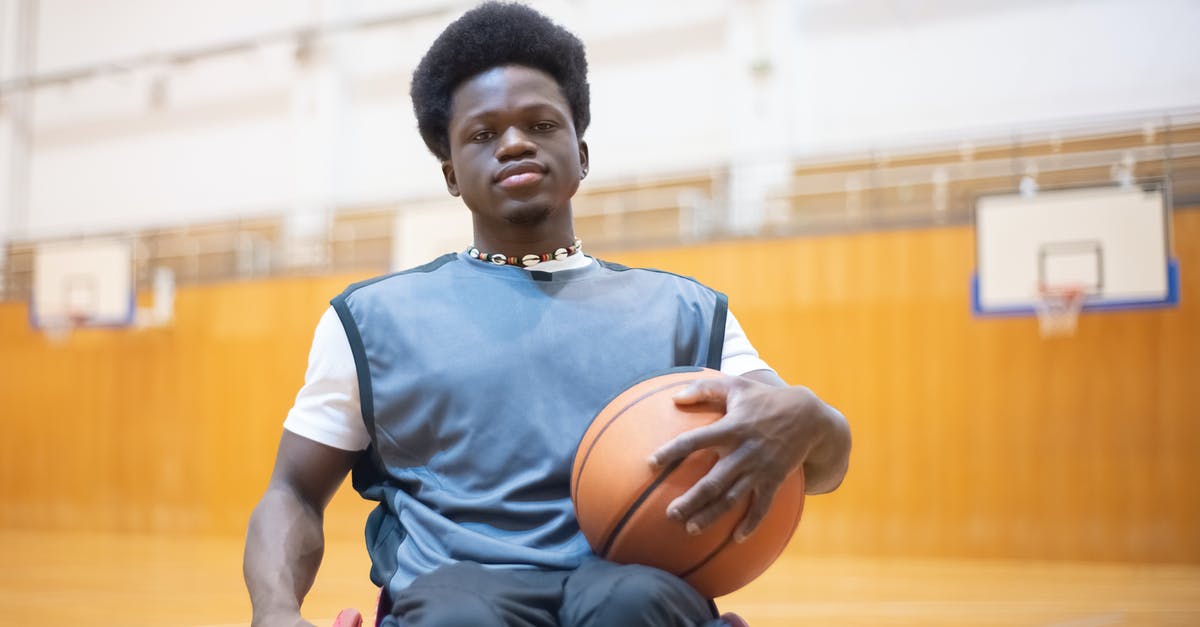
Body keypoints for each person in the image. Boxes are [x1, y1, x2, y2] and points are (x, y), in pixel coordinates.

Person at [243, 3, 851, 626]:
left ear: (581, 154)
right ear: (452, 173)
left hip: (634, 590)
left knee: (634, 602)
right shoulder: (369, 320)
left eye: (541, 124)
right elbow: (292, 491)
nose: (513, 143)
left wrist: (812, 417)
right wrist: (274, 611)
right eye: (483, 134)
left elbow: (822, 460)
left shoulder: (685, 311)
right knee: (460, 616)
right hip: (452, 597)